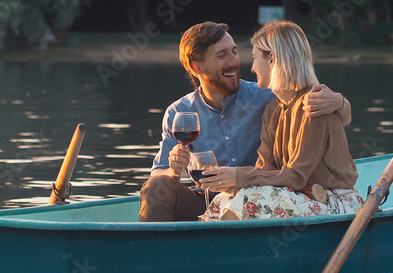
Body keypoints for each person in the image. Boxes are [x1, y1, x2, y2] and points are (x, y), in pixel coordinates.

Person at [139, 21, 352, 222]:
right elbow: (160, 171)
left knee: (246, 201)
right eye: (222, 55)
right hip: (215, 197)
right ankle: (153, 251)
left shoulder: (267, 95)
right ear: (197, 67)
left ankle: (217, 244)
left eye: (234, 52)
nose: (236, 62)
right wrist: (174, 171)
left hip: (258, 193)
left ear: (272, 60)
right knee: (156, 186)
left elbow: (313, 110)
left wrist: (341, 102)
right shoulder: (180, 112)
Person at [199, 20, 363, 220]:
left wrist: (239, 176)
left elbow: (296, 175)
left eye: (254, 58)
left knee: (251, 200)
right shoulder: (273, 110)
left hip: (333, 200)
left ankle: (226, 247)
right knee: (225, 199)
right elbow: (265, 169)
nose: (252, 68)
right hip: (298, 197)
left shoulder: (315, 104)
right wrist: (234, 181)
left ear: (272, 59)